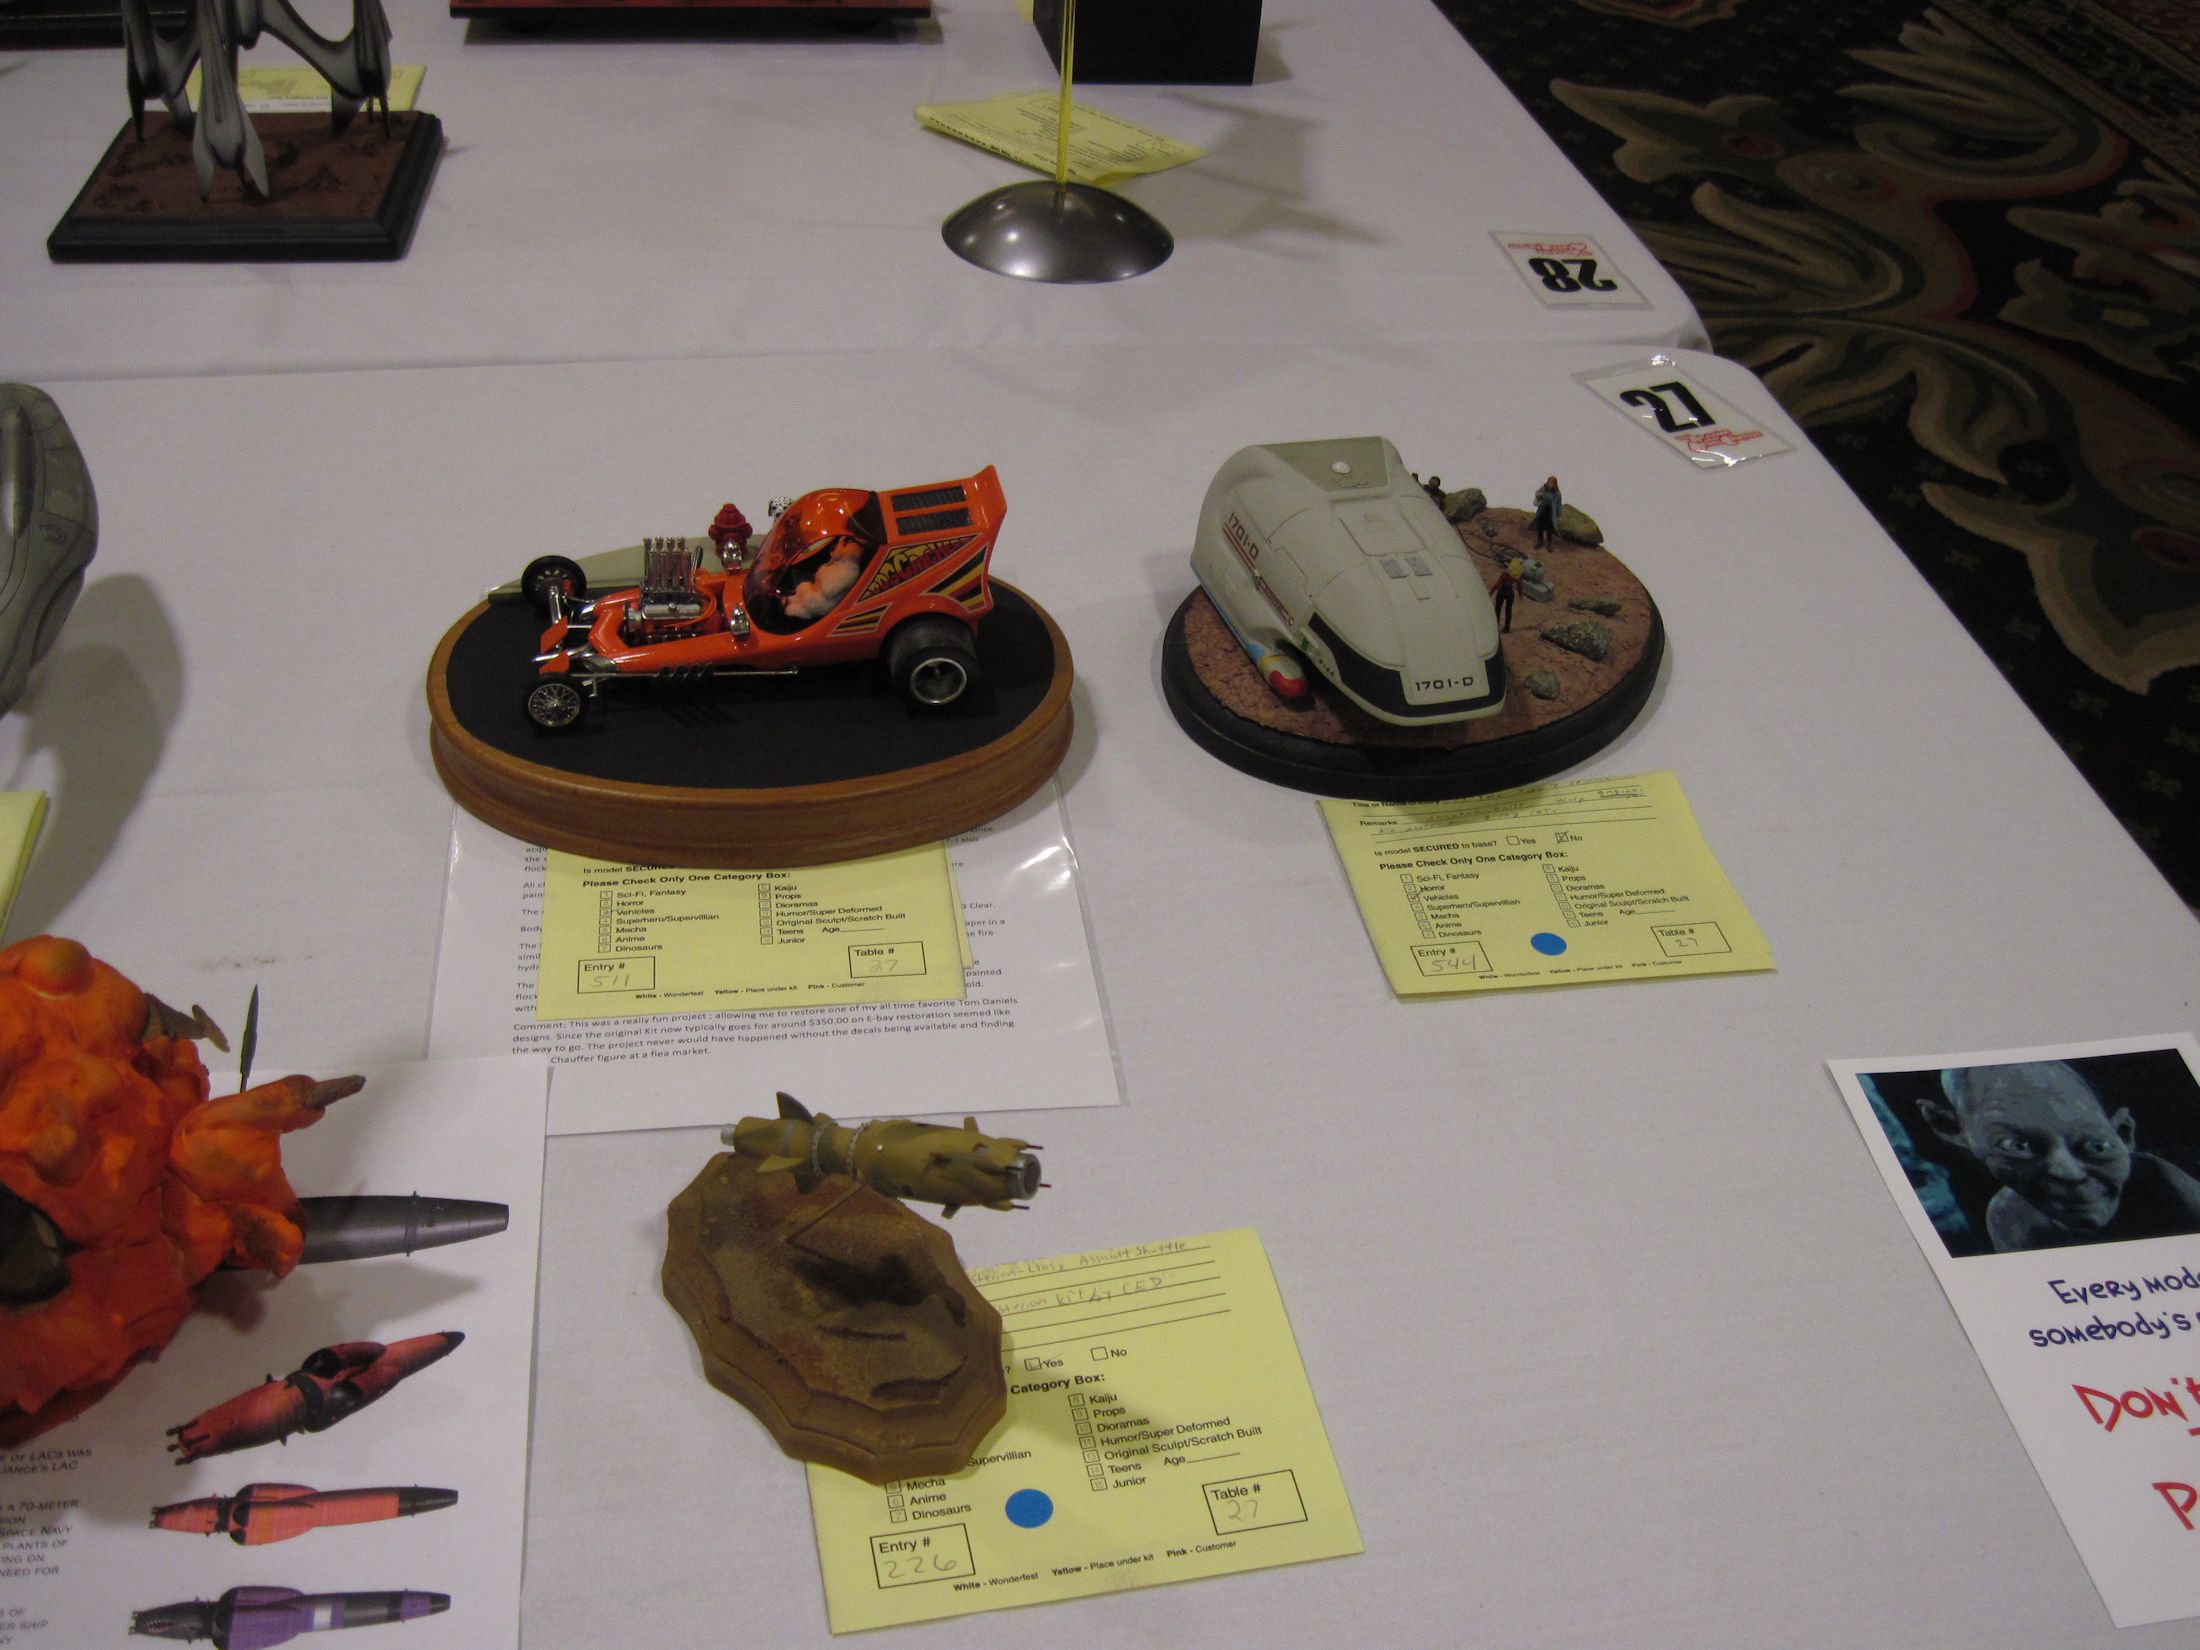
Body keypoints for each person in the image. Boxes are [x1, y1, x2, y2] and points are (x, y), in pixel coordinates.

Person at [1916, 1061, 2200, 1251]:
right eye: (2017, 1146)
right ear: (1949, 1128)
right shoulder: (2011, 1217)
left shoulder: (2162, 1185)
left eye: (2096, 1148)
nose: (2070, 1173)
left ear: (2123, 1135)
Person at [1490, 557, 1524, 633]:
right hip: (1510, 592)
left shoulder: (1505, 574)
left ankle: (1495, 626)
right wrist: (1520, 595)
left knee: (1498, 609)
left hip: (1502, 590)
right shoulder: (1517, 575)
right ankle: (1507, 628)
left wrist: (1491, 592)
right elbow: (1519, 586)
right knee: (1508, 610)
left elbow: (1498, 584)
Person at [1531, 475, 1562, 550]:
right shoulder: (1544, 488)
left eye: (1551, 483)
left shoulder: (1557, 493)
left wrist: (1559, 515)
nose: (1550, 484)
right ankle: (1540, 541)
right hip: (1542, 510)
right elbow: (1537, 493)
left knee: (1549, 528)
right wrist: (1542, 494)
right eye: (1549, 482)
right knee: (1540, 526)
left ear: (1554, 484)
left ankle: (1549, 543)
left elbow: (1558, 504)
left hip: (1551, 512)